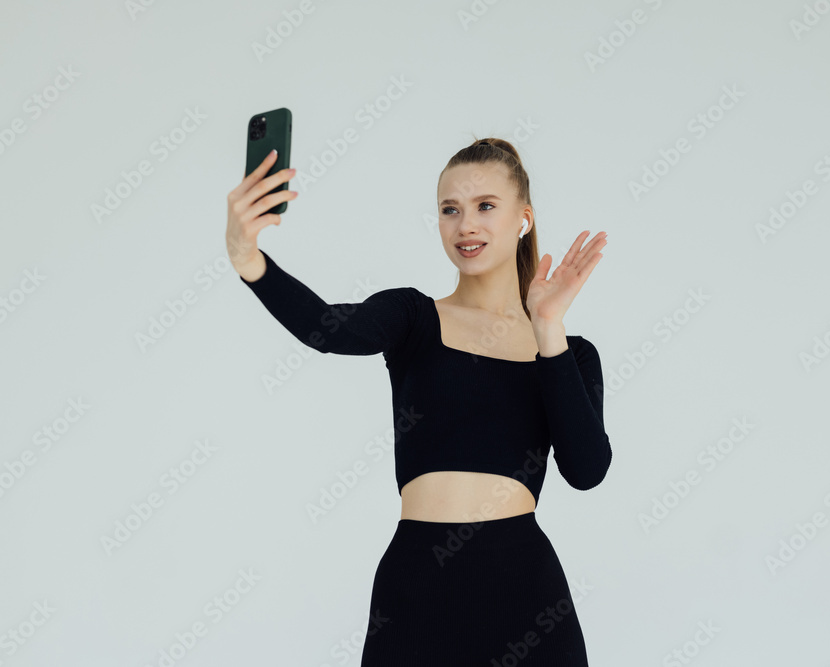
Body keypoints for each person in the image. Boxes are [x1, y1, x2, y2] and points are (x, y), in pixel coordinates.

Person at [226, 137, 611, 666]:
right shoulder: (412, 317)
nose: (465, 225)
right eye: (449, 210)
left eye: (485, 207)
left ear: (523, 218)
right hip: (418, 587)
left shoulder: (568, 352)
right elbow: (324, 328)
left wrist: (548, 330)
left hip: (525, 591)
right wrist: (249, 259)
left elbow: (586, 469)